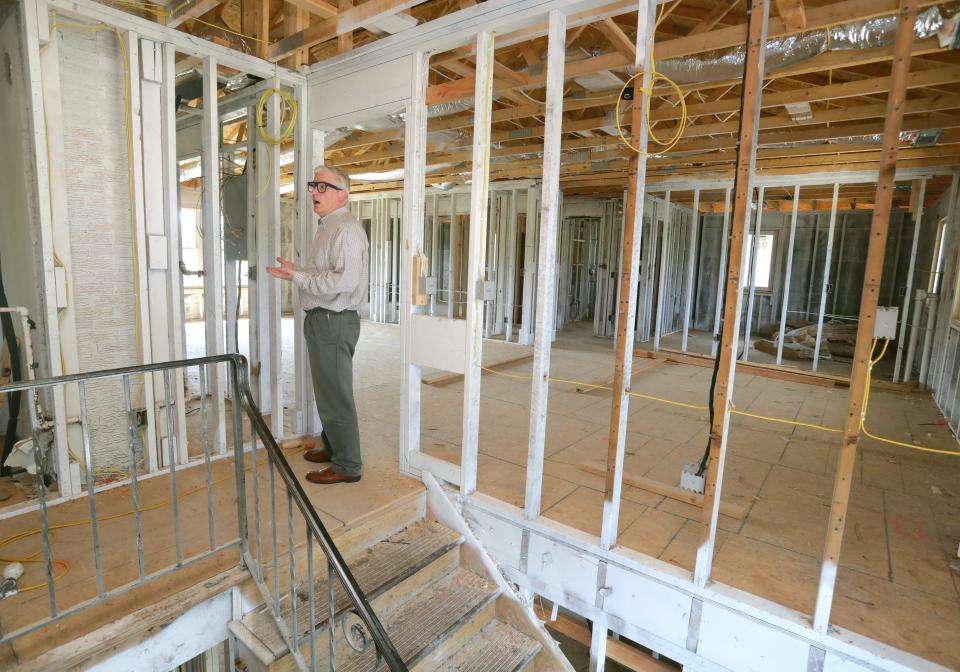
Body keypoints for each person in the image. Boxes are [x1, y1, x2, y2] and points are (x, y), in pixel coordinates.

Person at [266, 166, 369, 484]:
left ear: (342, 194)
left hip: (333, 321)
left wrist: (297, 276)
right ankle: (334, 446)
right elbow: (324, 272)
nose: (314, 192)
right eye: (313, 185)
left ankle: (348, 465)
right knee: (326, 391)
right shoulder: (328, 226)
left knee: (336, 394)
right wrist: (297, 269)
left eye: (322, 187)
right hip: (322, 320)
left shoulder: (347, 229)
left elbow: (345, 280)